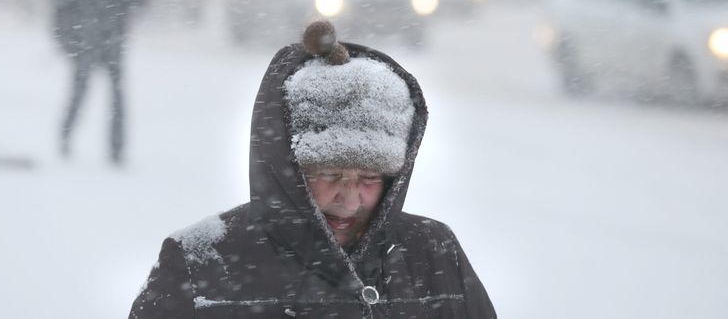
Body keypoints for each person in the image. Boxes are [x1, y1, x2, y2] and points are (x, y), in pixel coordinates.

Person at [129, 21, 495, 318]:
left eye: (370, 178)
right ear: (286, 168)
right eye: (330, 174)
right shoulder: (202, 263)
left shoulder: (433, 253)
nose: (350, 200)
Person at [52, 0, 147, 165]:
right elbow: (61, 8)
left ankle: (117, 150)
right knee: (78, 95)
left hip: (113, 47)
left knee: (117, 100)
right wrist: (66, 41)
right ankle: (65, 138)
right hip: (84, 45)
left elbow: (141, 1)